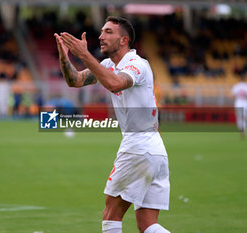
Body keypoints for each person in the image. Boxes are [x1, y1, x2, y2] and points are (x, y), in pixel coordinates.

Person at [54, 16, 170, 233]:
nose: (100, 36)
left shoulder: (137, 64)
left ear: (124, 40)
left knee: (111, 216)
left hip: (138, 146)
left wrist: (84, 54)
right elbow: (75, 80)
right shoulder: (108, 64)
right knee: (147, 225)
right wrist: (64, 58)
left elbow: (115, 83)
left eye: (108, 32)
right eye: (101, 31)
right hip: (154, 151)